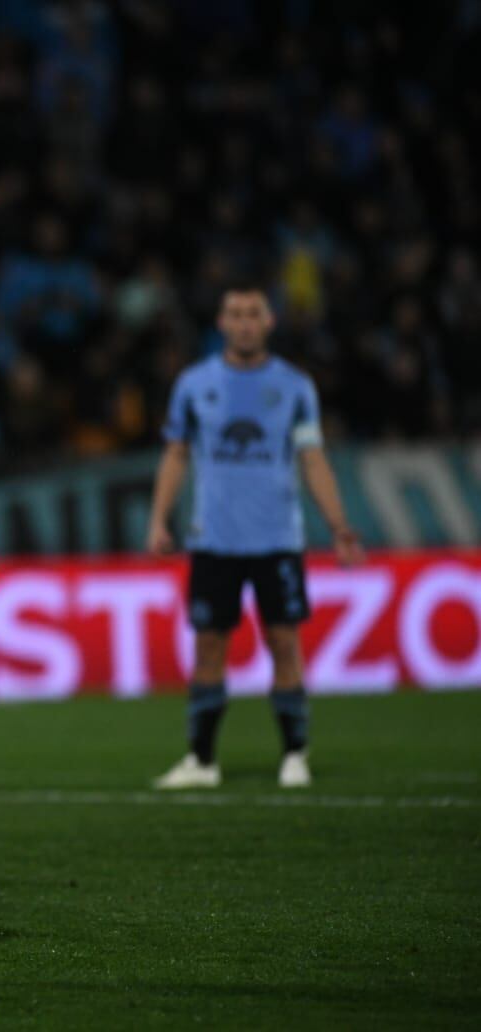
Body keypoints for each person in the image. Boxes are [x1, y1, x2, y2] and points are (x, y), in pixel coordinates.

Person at [147, 282, 362, 791]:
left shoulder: (294, 386)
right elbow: (176, 454)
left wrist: (338, 526)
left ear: (269, 322)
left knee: (284, 642)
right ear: (221, 323)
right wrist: (159, 518)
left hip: (277, 539)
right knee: (209, 647)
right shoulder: (194, 384)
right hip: (214, 540)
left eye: (253, 314)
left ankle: (294, 755)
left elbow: (312, 458)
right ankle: (201, 761)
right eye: (235, 313)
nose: (244, 322)